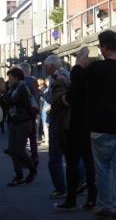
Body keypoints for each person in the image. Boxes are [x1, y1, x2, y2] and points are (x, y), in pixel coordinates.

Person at [74, 30, 116, 220]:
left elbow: (76, 77)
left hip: (100, 128)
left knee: (102, 169)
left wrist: (81, 59)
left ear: (103, 47)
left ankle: (104, 205)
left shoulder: (97, 69)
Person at [54, 58, 98, 211]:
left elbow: (67, 98)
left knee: (72, 164)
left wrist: (78, 65)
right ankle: (93, 199)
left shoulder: (78, 84)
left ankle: (71, 199)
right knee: (91, 164)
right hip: (92, 128)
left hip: (75, 128)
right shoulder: (95, 84)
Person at [2, 68, 37, 186]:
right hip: (15, 121)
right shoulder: (13, 88)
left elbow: (12, 101)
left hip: (24, 121)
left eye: (10, 77)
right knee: (12, 150)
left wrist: (3, 91)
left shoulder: (22, 87)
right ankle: (18, 175)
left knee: (19, 150)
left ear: (16, 77)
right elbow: (6, 103)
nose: (8, 80)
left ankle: (32, 170)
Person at [44, 55, 69, 199]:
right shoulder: (68, 74)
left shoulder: (55, 77)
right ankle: (80, 181)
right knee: (71, 154)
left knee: (55, 156)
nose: (45, 69)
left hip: (58, 118)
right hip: (68, 119)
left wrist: (46, 95)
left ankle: (60, 188)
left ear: (51, 66)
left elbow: (51, 98)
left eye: (46, 66)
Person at [17, 62, 39, 167]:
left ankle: (24, 159)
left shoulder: (20, 81)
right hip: (33, 110)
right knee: (32, 134)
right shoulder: (34, 80)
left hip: (23, 111)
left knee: (22, 135)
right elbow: (37, 95)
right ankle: (34, 156)